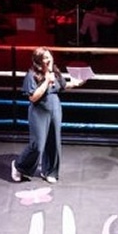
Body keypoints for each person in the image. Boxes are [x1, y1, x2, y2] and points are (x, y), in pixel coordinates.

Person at [11, 48, 85, 184]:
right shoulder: (31, 74)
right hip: (39, 111)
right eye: (45, 58)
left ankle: (49, 171)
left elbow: (62, 86)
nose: (49, 60)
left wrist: (75, 83)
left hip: (55, 108)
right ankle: (19, 166)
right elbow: (33, 97)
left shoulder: (55, 72)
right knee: (38, 145)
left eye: (49, 57)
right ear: (38, 61)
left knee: (54, 142)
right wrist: (46, 81)